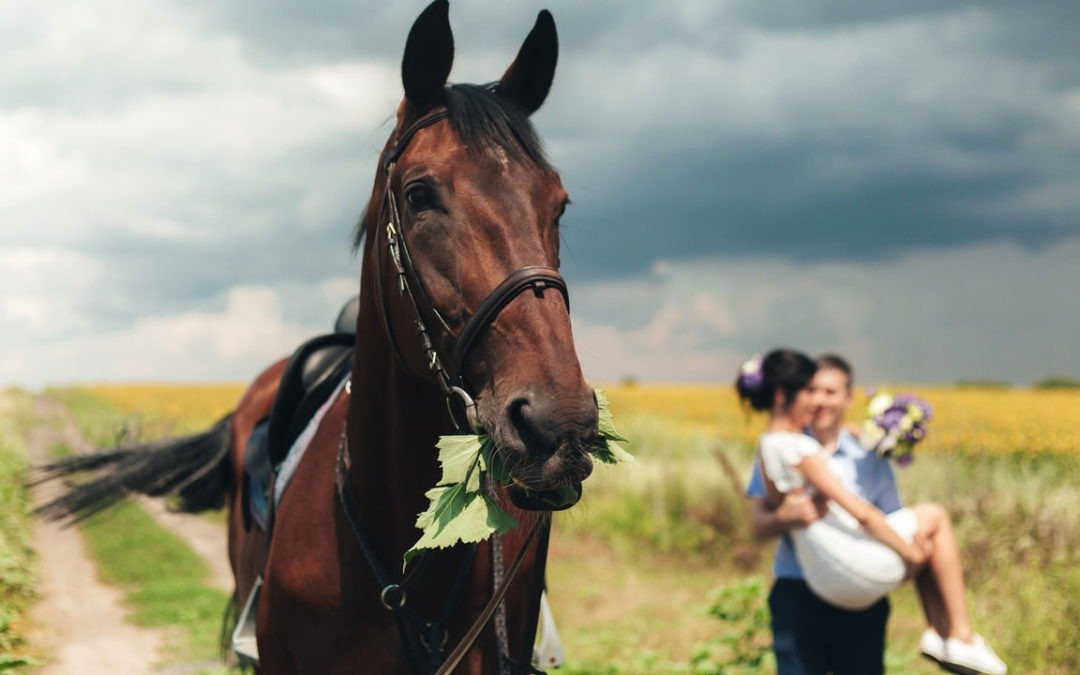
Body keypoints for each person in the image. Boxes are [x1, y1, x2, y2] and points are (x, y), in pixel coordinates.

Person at [741, 350, 1006, 675]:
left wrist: (912, 553)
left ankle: (942, 634)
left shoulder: (865, 451)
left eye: (828, 392)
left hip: (859, 602)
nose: (818, 401)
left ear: (848, 397)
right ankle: (959, 635)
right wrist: (788, 516)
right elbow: (759, 524)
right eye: (811, 390)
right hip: (800, 593)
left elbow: (888, 514)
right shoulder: (795, 446)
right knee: (934, 516)